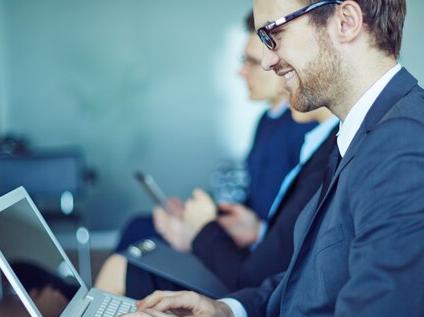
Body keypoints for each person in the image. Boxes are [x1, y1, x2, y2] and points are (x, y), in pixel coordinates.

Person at [0, 1, 424, 317]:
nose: (266, 59)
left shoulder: (406, 152)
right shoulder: (371, 135)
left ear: (346, 22)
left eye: (274, 34)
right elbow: (308, 282)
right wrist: (224, 312)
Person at [94, 12, 329, 296]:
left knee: (125, 262)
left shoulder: (312, 138)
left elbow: (274, 253)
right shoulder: (274, 124)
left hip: (249, 271)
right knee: (138, 230)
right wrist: (214, 220)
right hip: (248, 251)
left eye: (251, 62)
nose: (244, 71)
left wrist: (203, 231)